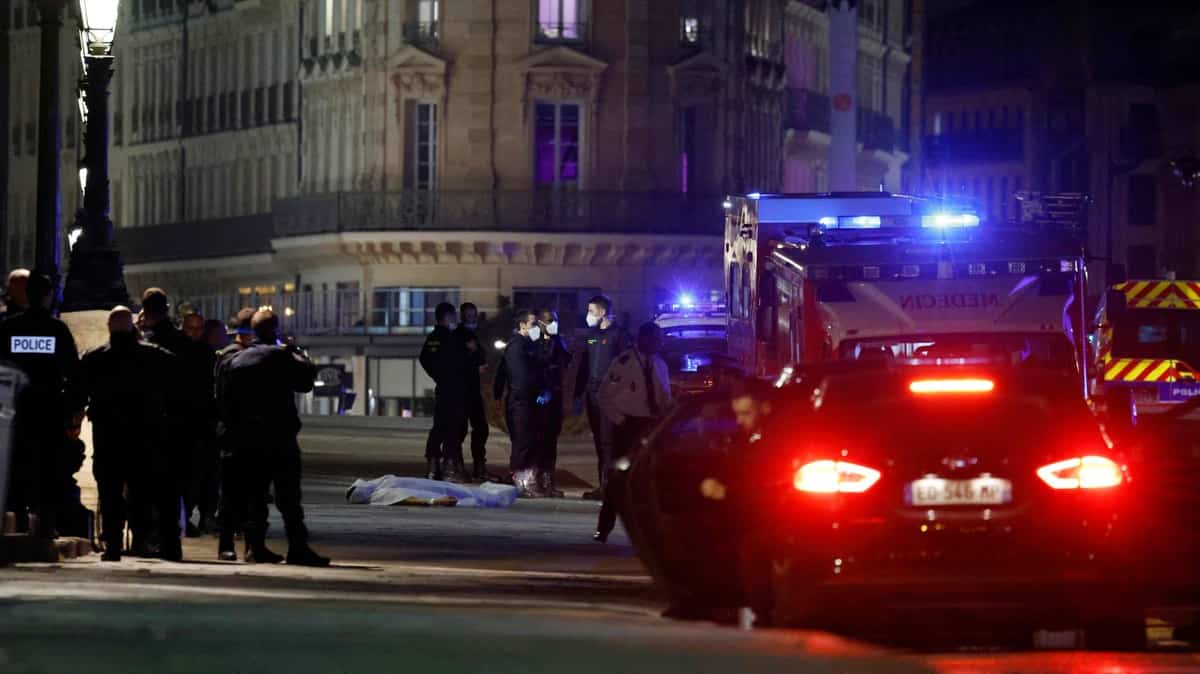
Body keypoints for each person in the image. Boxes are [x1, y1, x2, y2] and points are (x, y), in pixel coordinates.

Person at [220, 309, 329, 566]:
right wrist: (295, 351)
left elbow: (224, 400)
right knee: (289, 499)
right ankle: (298, 547)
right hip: (280, 437)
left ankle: (255, 548)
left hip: (248, 438)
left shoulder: (235, 359)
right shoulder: (284, 356)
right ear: (276, 329)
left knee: (255, 497)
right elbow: (306, 380)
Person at [76, 306, 183, 561]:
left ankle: (112, 544)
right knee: (141, 490)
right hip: (145, 435)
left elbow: (79, 392)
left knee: (110, 491)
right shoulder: (156, 356)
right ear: (133, 326)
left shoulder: (94, 358)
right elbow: (177, 385)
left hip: (108, 436)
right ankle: (141, 540)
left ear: (109, 328)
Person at [0, 274, 80, 538]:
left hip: (16, 410)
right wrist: (72, 411)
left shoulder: (8, 328)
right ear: (48, 296)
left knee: (16, 466)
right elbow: (74, 373)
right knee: (48, 468)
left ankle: (19, 517)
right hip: (48, 411)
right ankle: (45, 522)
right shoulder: (57, 330)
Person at [140, 289, 216, 538]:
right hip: (183, 423)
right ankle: (171, 533)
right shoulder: (190, 349)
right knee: (178, 481)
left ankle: (148, 534)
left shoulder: (143, 343)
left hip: (153, 422)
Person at [594, 321, 671, 543]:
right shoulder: (625, 363)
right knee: (618, 480)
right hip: (629, 426)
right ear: (643, 339)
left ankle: (648, 531)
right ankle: (603, 527)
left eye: (660, 339)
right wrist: (621, 421)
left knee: (648, 480)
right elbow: (604, 396)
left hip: (651, 426)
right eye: (655, 339)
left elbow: (664, 398)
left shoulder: (659, 364)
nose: (659, 343)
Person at [574, 294, 628, 500]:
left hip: (610, 397)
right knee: (599, 441)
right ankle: (603, 486)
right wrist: (578, 396)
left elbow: (626, 368)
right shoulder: (591, 335)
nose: (587, 315)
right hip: (591, 394)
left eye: (591, 311)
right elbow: (583, 367)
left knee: (609, 442)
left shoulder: (619, 335)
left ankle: (611, 488)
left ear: (603, 312)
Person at [214, 308, 257, 561]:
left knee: (251, 494)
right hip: (236, 430)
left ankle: (249, 544)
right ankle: (228, 543)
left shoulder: (228, 356)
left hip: (240, 430)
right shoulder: (232, 357)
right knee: (232, 494)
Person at [499, 310, 551, 497]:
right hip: (522, 401)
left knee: (531, 440)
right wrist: (537, 391)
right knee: (523, 442)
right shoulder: (516, 347)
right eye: (532, 324)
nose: (536, 327)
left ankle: (528, 480)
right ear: (522, 325)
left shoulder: (530, 345)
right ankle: (520, 481)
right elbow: (522, 377)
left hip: (530, 401)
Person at [419, 302, 469, 482]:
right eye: (453, 315)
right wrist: (441, 376)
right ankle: (446, 464)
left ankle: (438, 465)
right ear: (447, 316)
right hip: (451, 388)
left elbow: (425, 359)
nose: (455, 318)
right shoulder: (446, 337)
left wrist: (437, 376)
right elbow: (426, 359)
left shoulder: (437, 337)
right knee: (451, 426)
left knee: (444, 426)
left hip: (448, 387)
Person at [453, 302, 492, 481]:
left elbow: (484, 356)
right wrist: (472, 366)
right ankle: (457, 466)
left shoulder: (480, 334)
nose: (471, 318)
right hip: (460, 391)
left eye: (473, 314)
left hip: (475, 390)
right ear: (462, 316)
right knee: (459, 429)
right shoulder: (456, 336)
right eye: (467, 315)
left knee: (481, 429)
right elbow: (456, 363)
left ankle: (479, 466)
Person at [535, 309, 571, 498]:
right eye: (549, 321)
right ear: (541, 322)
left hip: (554, 398)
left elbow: (564, 366)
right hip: (537, 398)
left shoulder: (559, 342)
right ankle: (535, 479)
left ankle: (548, 479)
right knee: (537, 440)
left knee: (550, 441)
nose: (553, 324)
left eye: (555, 320)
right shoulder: (534, 341)